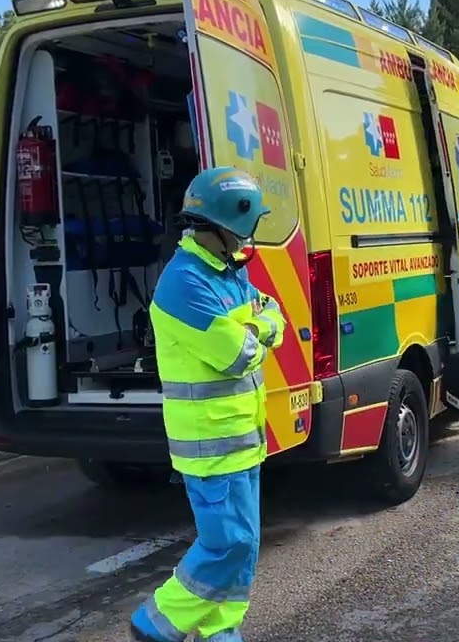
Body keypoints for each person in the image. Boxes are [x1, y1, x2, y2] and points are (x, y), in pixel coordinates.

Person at [131, 167, 287, 642]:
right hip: (210, 444)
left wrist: (259, 327)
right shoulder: (185, 285)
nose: (251, 236)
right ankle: (157, 622)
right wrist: (260, 330)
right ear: (228, 224)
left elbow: (275, 316)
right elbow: (238, 355)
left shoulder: (228, 273)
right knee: (228, 545)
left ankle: (222, 632)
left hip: (242, 439)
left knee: (246, 547)